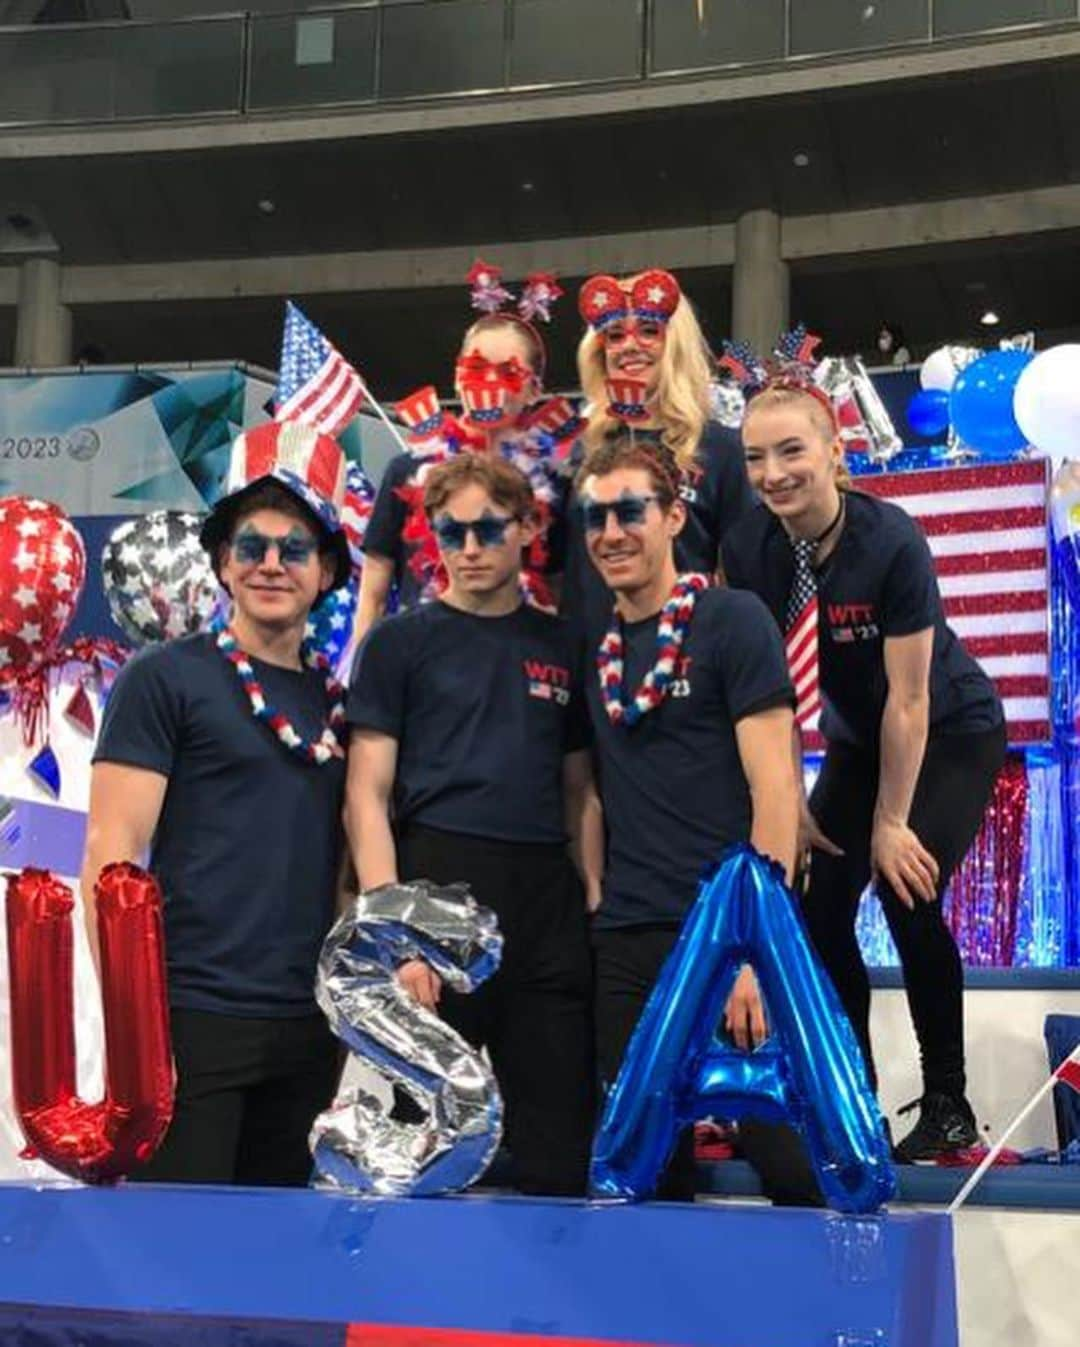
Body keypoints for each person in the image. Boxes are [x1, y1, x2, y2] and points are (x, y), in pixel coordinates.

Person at [722, 373, 1006, 1162]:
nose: (774, 472)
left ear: (835, 452)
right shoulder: (747, 547)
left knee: (907, 885)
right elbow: (766, 690)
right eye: (755, 457)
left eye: (791, 450)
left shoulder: (892, 541)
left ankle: (948, 1104)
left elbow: (909, 701)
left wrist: (888, 822)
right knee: (817, 910)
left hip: (949, 729)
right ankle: (854, 1101)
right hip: (850, 743)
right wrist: (795, 797)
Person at [81, 421, 351, 1186]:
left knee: (276, 1271)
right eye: (251, 546)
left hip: (306, 1026)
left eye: (294, 548)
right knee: (176, 1266)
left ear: (325, 569)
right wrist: (136, 1028)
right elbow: (109, 854)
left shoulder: (340, 704)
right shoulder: (163, 679)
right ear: (222, 564)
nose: (271, 564)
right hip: (188, 1019)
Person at [577, 431, 820, 1204]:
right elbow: (583, 786)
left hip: (729, 929)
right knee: (644, 1174)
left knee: (795, 1163)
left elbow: (776, 787)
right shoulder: (595, 647)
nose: (612, 533)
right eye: (596, 517)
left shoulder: (731, 619)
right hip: (629, 939)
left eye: (630, 511)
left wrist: (752, 945)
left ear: (675, 516)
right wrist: (593, 887)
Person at [346, 453, 596, 1196]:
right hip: (436, 892)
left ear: (527, 527)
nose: (470, 548)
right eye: (450, 532)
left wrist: (593, 897)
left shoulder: (562, 644)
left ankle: (549, 1310)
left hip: (545, 899)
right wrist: (394, 935)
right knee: (424, 1151)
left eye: (488, 528)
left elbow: (580, 787)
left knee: (559, 1152)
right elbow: (367, 795)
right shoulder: (398, 645)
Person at [355, 262, 572, 641]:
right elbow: (373, 588)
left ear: (534, 389)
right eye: (475, 367)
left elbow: (558, 589)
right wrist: (360, 673)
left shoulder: (553, 486)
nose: (488, 382)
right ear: (456, 376)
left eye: (507, 372)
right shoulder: (408, 470)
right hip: (422, 656)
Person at [559, 268, 753, 631]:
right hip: (588, 667)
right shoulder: (575, 450)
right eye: (615, 336)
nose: (631, 346)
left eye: (649, 331)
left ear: (676, 344)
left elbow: (747, 579)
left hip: (687, 661)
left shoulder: (721, 450)